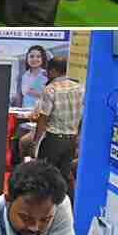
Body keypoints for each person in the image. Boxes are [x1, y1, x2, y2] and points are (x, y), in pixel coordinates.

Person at [32, 56, 83, 185]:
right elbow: (83, 116)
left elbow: (43, 118)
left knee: (44, 178)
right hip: (71, 141)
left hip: (53, 141)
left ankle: (46, 204)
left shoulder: (51, 89)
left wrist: (35, 142)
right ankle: (62, 204)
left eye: (48, 71)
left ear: (53, 71)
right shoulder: (80, 88)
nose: (47, 75)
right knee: (62, 179)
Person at [20, 45, 50, 110]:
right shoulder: (25, 75)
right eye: (31, 56)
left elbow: (50, 96)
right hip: (26, 109)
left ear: (43, 59)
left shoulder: (47, 75)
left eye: (38, 57)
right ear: (27, 58)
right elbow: (24, 92)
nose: (34, 59)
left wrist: (35, 93)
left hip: (42, 111)